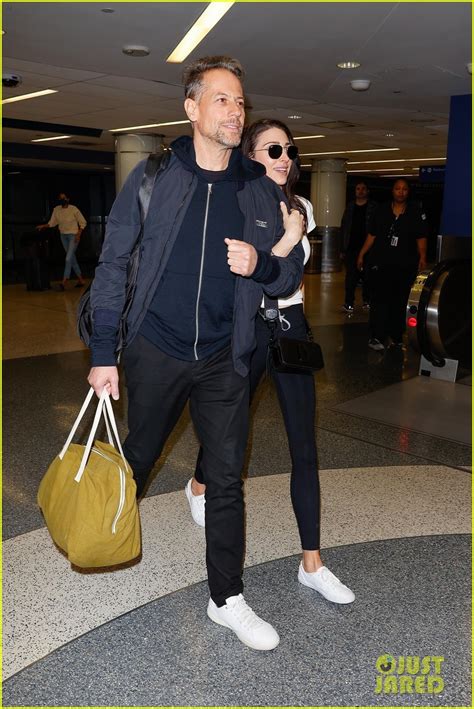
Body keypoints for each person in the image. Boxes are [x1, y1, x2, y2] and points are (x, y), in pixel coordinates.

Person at [86, 56, 304, 652]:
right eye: (223, 100)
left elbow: (287, 275)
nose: (236, 112)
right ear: (192, 108)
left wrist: (262, 264)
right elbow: (110, 265)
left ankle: (227, 598)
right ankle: (100, 537)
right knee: (139, 455)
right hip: (154, 348)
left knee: (227, 476)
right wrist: (104, 351)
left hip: (223, 357)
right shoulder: (155, 179)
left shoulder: (258, 190)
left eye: (241, 102)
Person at [186, 118, 355, 606]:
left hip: (291, 326)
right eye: (272, 149)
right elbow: (249, 276)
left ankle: (312, 564)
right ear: (251, 155)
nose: (284, 159)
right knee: (230, 433)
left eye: (289, 151)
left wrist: (295, 228)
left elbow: (291, 279)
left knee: (305, 446)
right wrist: (286, 239)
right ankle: (199, 484)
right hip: (248, 328)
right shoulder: (237, 204)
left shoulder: (301, 208)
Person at [357, 178, 428, 351]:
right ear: (392, 191)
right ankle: (377, 336)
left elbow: (421, 237)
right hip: (381, 263)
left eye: (404, 189)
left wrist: (422, 257)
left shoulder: (415, 212)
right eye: (398, 188)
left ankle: (396, 337)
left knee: (399, 301)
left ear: (408, 192)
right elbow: (372, 235)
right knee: (380, 300)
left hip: (405, 265)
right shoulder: (381, 211)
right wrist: (362, 254)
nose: (401, 192)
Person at [36, 191, 87, 290]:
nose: (63, 200)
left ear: (68, 199)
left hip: (73, 235)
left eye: (64, 198)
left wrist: (78, 235)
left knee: (68, 258)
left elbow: (83, 222)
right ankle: (81, 280)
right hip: (63, 236)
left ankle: (64, 282)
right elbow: (52, 223)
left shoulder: (74, 209)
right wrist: (43, 226)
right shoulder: (56, 210)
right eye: (61, 198)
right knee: (72, 258)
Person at [340, 181, 377, 312]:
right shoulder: (350, 207)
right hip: (351, 247)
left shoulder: (373, 208)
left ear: (367, 191)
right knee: (350, 277)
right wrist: (342, 248)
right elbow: (344, 228)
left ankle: (367, 301)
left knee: (368, 277)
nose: (360, 191)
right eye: (357, 189)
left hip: (368, 248)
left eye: (363, 189)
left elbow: (376, 230)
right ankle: (348, 302)